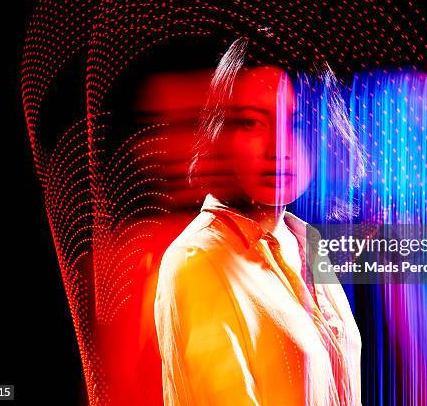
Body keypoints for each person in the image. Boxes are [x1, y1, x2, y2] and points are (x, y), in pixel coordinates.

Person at [153, 36, 364, 406]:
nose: (278, 148)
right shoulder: (198, 261)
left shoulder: (307, 242)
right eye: (253, 123)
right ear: (222, 133)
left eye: (297, 123)